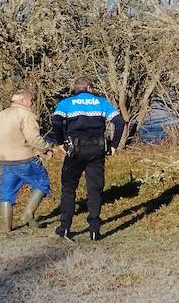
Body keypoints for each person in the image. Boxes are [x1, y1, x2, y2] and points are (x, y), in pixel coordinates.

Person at [48, 77, 124, 242]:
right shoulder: (101, 102)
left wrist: (60, 142)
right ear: (89, 88)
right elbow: (119, 122)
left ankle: (65, 227)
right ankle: (95, 230)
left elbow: (56, 121)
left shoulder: (66, 103)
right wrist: (114, 145)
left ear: (75, 88)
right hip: (97, 149)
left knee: (68, 188)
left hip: (74, 149)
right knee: (95, 189)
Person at [0, 89, 54, 233]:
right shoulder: (27, 115)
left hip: (5, 160)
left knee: (6, 194)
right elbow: (33, 139)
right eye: (31, 100)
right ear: (24, 101)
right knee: (42, 183)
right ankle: (28, 214)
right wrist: (46, 149)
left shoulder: (0, 115)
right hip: (25, 159)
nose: (32, 103)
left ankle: (6, 227)